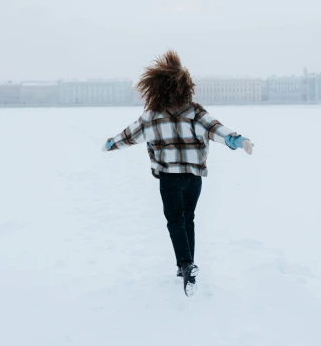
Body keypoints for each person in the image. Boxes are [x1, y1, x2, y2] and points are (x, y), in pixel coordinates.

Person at [102, 50, 253, 296]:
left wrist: (111, 144)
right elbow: (217, 129)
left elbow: (130, 135)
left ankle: (185, 264)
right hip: (193, 178)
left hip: (169, 177)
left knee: (175, 221)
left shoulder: (152, 116)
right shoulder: (195, 112)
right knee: (188, 218)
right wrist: (238, 141)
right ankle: (187, 264)